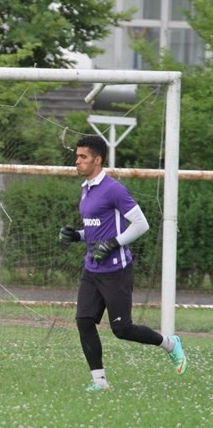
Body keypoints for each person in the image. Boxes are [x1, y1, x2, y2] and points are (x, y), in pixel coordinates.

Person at [60, 135, 187, 391]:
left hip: (116, 271)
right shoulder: (86, 189)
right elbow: (96, 230)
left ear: (97, 160)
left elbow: (141, 224)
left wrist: (112, 244)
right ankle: (99, 381)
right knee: (84, 320)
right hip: (92, 270)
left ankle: (170, 344)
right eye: (77, 156)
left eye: (83, 157)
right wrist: (77, 236)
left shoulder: (114, 189)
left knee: (122, 329)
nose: (77, 161)